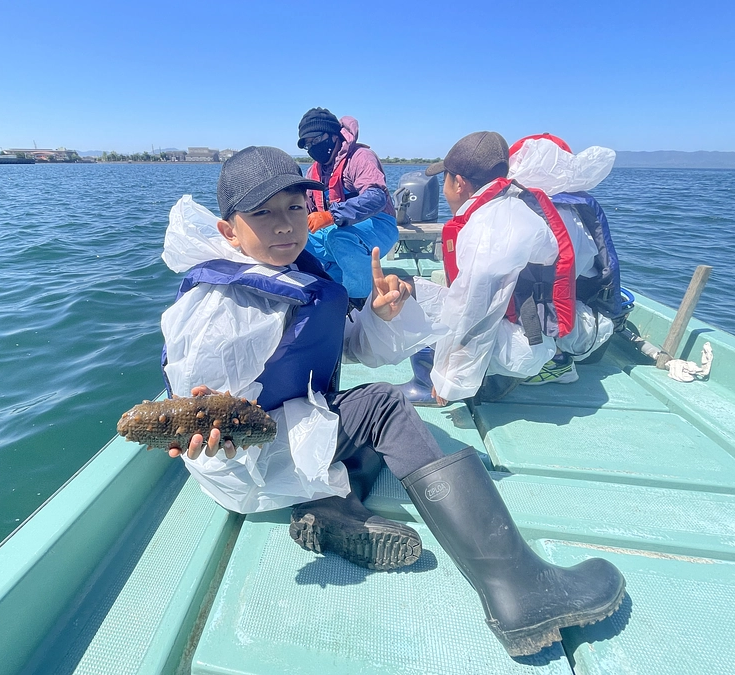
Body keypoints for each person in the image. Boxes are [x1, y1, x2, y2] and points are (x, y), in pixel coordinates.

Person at [158, 145, 625, 657]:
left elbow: (345, 347)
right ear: (229, 231)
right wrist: (208, 432)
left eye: (294, 207)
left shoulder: (291, 272)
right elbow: (197, 404)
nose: (286, 225)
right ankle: (519, 588)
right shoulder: (224, 306)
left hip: (285, 440)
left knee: (367, 424)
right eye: (263, 214)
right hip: (248, 463)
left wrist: (380, 315)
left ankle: (334, 506)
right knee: (382, 406)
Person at [402, 131, 580, 406]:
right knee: (408, 289)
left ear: (459, 183)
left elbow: (473, 309)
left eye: (446, 179)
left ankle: (430, 385)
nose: (445, 189)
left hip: (522, 345)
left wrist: (450, 378)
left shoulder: (492, 227)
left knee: (422, 313)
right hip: (528, 331)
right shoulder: (507, 203)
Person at [507, 133, 622, 383]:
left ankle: (555, 362)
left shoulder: (515, 208)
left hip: (545, 325)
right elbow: (590, 266)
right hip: (582, 320)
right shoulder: (578, 208)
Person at [296, 108, 399, 304]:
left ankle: (360, 300)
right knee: (298, 240)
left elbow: (376, 197)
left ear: (333, 135)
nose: (312, 147)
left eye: (315, 140)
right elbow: (308, 209)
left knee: (339, 238)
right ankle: (329, 290)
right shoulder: (313, 170)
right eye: (307, 144)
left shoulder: (361, 156)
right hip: (334, 226)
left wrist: (331, 215)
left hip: (378, 224)